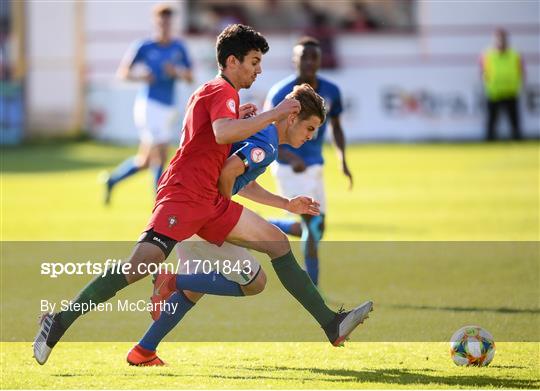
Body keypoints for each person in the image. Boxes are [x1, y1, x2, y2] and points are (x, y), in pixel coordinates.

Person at [33, 24, 371, 366]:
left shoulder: (222, 95)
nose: (259, 70)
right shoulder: (223, 92)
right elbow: (223, 136)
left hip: (208, 200)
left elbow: (214, 138)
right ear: (232, 61)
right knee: (137, 268)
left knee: (277, 243)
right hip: (185, 195)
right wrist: (273, 113)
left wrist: (282, 199)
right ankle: (58, 322)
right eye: (254, 61)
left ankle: (331, 323)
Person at [126, 83, 364, 366]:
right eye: (310, 128)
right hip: (200, 211)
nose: (311, 137)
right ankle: (330, 323)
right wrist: (223, 212)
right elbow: (229, 172)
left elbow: (243, 180)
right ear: (291, 118)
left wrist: (286, 204)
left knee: (198, 285)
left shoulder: (261, 133)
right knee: (266, 264)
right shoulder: (267, 141)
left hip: (187, 207)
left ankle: (144, 350)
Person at [266, 36, 352, 288]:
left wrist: (342, 160)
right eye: (304, 56)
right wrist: (291, 157)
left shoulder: (332, 90)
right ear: (295, 60)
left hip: (315, 164)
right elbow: (267, 132)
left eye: (313, 56)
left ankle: (264, 223)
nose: (309, 61)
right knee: (311, 226)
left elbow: (336, 127)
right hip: (289, 167)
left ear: (319, 60)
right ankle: (312, 290)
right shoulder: (281, 93)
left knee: (318, 227)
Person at [103, 4, 194, 204]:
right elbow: (123, 73)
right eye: (161, 21)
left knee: (145, 161)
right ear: (156, 22)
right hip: (149, 105)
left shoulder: (178, 47)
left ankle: (112, 180)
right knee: (161, 153)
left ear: (172, 23)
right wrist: (141, 77)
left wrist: (176, 73)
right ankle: (159, 201)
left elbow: (190, 77)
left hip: (168, 106)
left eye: (168, 22)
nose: (165, 25)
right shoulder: (144, 46)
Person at [481, 28, 525, 141]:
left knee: (514, 120)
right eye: (498, 38)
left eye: (503, 38)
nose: (501, 41)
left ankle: (517, 140)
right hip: (494, 92)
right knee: (492, 121)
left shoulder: (515, 54)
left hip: (511, 91)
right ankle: (489, 141)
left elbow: (521, 71)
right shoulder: (488, 54)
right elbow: (483, 71)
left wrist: (519, 84)